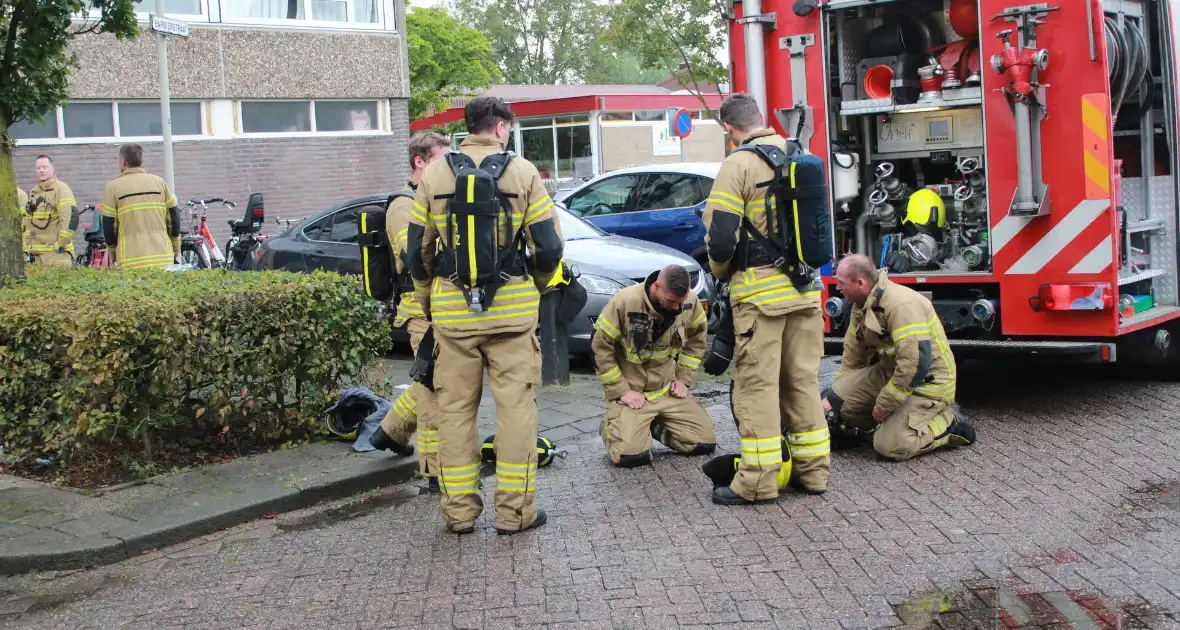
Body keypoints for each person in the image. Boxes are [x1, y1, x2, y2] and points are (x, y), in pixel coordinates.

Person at [406, 96, 565, 535]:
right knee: (516, 410)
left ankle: (459, 515)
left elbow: (417, 253)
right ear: (501, 128)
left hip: (454, 317)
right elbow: (550, 246)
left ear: (469, 126)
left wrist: (428, 301)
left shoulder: (435, 173)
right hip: (512, 317)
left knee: (455, 412)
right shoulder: (523, 172)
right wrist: (532, 286)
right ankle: (516, 515)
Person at [700, 93, 830, 505]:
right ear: (762, 118)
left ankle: (757, 482)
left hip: (760, 296)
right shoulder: (798, 154)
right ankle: (813, 473)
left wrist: (721, 275)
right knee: (802, 382)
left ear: (729, 129)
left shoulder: (737, 163)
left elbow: (721, 237)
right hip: (807, 291)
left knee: (756, 387)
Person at [823, 254, 976, 460]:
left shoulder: (900, 305)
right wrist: (833, 398)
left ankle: (948, 423)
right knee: (839, 397)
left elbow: (915, 363)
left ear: (860, 282)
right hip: (892, 373)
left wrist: (886, 403)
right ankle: (882, 425)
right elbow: (853, 354)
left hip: (928, 382)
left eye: (841, 283)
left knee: (890, 446)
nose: (838, 288)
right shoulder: (861, 305)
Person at [369, 131, 452, 488]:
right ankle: (436, 471)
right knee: (435, 388)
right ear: (420, 161)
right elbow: (414, 258)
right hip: (419, 310)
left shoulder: (435, 197)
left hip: (442, 307)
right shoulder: (404, 205)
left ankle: (390, 431)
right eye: (442, 159)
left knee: (430, 379)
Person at [592, 264, 716, 467]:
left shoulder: (689, 302)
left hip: (667, 391)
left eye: (681, 302)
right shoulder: (626, 301)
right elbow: (600, 348)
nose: (677, 308)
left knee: (703, 443)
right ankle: (613, 427)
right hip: (634, 395)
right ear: (657, 286)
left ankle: (653, 426)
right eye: (672, 301)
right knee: (629, 457)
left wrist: (683, 380)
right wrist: (621, 391)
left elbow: (697, 340)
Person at [101, 144, 181, 270]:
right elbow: (174, 218)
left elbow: (109, 226)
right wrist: (175, 249)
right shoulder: (159, 183)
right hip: (163, 258)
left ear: (123, 161)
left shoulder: (113, 187)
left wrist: (114, 254)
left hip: (130, 261)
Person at [23, 156, 77, 268]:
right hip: (36, 259)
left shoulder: (61, 189)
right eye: (38, 168)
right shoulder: (34, 193)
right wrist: (26, 249)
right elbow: (28, 224)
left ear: (53, 169)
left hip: (56, 258)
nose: (41, 170)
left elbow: (71, 218)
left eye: (45, 167)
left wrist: (60, 245)